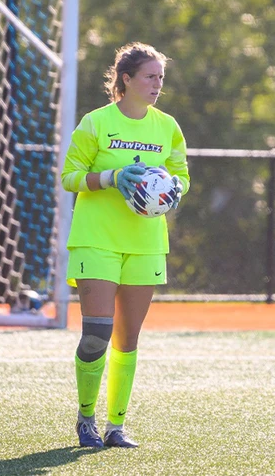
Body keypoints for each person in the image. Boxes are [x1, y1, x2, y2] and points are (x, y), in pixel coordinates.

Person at [60, 42, 189, 448]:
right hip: (96, 239)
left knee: (127, 339)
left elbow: (181, 175)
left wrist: (170, 190)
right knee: (97, 334)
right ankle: (86, 420)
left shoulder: (167, 126)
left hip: (146, 244)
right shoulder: (96, 123)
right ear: (126, 80)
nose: (157, 84)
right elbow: (69, 176)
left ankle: (116, 427)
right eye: (150, 77)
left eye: (161, 78)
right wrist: (113, 178)